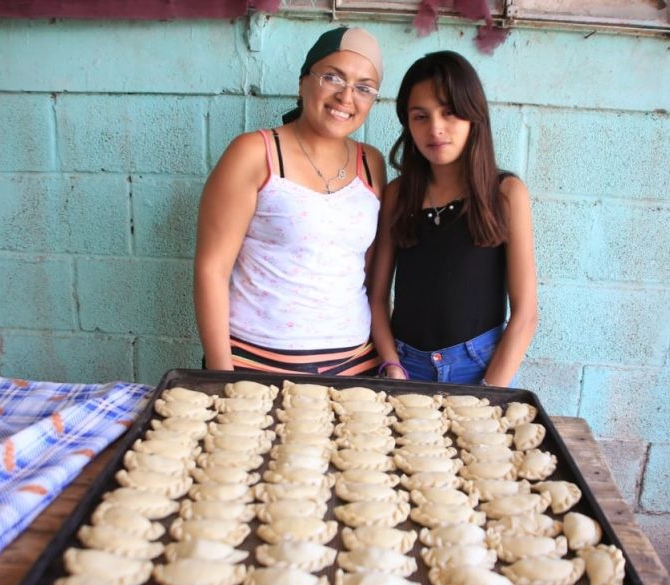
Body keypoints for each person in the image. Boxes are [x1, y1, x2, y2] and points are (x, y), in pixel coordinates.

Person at [194, 26, 387, 375]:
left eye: (364, 87)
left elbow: (367, 273)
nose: (346, 97)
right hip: (254, 365)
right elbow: (211, 270)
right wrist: (222, 377)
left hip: (355, 367)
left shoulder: (371, 163)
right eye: (332, 77)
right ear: (303, 83)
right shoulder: (254, 153)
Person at [369, 51, 537, 387]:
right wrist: (392, 366)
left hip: (480, 367)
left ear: (474, 115)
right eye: (420, 116)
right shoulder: (398, 194)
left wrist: (489, 392)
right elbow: (376, 297)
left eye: (449, 112)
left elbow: (526, 315)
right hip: (405, 366)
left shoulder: (506, 194)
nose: (435, 128)